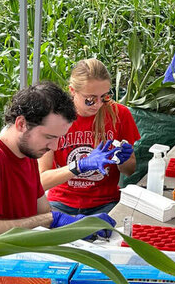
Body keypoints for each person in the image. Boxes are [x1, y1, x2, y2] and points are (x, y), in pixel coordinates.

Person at [0, 81, 116, 253]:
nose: (55, 146)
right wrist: (53, 219)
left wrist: (77, 224)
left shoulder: (28, 155)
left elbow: (42, 213)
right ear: (21, 124)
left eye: (59, 138)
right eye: (49, 137)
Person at [39, 59, 139, 219]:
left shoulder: (119, 115)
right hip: (61, 203)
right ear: (72, 91)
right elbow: (41, 180)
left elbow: (130, 170)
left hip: (105, 203)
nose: (98, 104)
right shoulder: (55, 118)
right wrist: (78, 166)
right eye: (90, 99)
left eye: (105, 96)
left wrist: (123, 160)